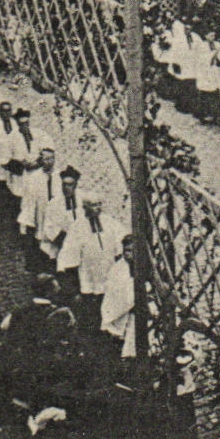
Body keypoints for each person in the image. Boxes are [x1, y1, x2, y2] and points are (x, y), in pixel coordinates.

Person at [56, 193, 125, 342]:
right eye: (94, 205)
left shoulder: (110, 223)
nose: (97, 208)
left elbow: (123, 241)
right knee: (92, 316)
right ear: (85, 207)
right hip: (89, 280)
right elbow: (68, 257)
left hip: (110, 278)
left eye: (99, 204)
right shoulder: (77, 227)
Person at [15, 146, 59, 273]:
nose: (49, 162)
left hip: (54, 214)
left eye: (51, 159)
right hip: (41, 212)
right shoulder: (34, 178)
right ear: (41, 160)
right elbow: (29, 200)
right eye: (46, 159)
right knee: (40, 239)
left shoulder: (59, 176)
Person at [99, 235, 138, 366]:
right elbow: (116, 292)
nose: (128, 254)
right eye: (126, 250)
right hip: (121, 311)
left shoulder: (142, 267)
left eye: (132, 251)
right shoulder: (118, 269)